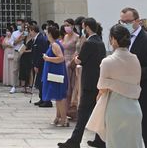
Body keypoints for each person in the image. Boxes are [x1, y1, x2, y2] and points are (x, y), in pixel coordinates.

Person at [88, 24, 143, 148]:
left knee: (115, 144)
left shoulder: (108, 61)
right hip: (134, 108)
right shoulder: (135, 59)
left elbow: (101, 88)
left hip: (115, 108)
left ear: (113, 39)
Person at [120, 6, 147, 148]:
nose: (124, 25)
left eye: (127, 21)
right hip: (127, 93)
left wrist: (136, 73)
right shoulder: (122, 40)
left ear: (137, 21)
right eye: (121, 22)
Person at [58, 18, 106, 148]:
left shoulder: (89, 43)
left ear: (88, 27)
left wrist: (75, 60)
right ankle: (100, 140)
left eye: (83, 27)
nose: (82, 29)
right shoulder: (100, 41)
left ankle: (75, 140)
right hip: (97, 80)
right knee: (97, 111)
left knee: (83, 111)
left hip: (89, 81)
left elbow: (79, 60)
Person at [42, 25, 69, 127]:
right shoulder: (53, 44)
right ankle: (58, 117)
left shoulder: (55, 45)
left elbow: (61, 58)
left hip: (56, 73)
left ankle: (64, 119)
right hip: (54, 72)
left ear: (50, 34)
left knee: (59, 97)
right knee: (57, 96)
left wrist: (48, 58)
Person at [61, 18, 80, 120]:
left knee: (72, 87)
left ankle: (74, 111)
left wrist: (71, 62)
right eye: (65, 25)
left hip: (71, 64)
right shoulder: (65, 36)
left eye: (68, 25)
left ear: (72, 26)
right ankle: (67, 110)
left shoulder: (77, 37)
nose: (66, 27)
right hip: (64, 61)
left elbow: (77, 51)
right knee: (65, 87)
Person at [32, 23, 52, 107]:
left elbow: (41, 53)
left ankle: (46, 100)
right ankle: (42, 98)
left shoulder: (40, 39)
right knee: (40, 83)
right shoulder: (37, 38)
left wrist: (37, 65)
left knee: (42, 82)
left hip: (41, 64)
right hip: (38, 63)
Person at [9, 19, 25, 94]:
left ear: (23, 24)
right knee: (15, 69)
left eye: (20, 24)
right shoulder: (15, 33)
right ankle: (14, 86)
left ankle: (24, 86)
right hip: (17, 52)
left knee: (25, 69)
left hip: (25, 52)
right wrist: (18, 40)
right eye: (17, 24)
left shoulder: (27, 32)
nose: (19, 26)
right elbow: (11, 43)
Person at [19, 26, 35, 92]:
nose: (26, 31)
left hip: (29, 56)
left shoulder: (33, 39)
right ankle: (23, 86)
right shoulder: (25, 38)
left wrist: (25, 51)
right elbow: (22, 45)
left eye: (27, 30)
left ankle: (30, 86)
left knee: (30, 71)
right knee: (22, 70)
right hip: (23, 56)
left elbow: (32, 49)